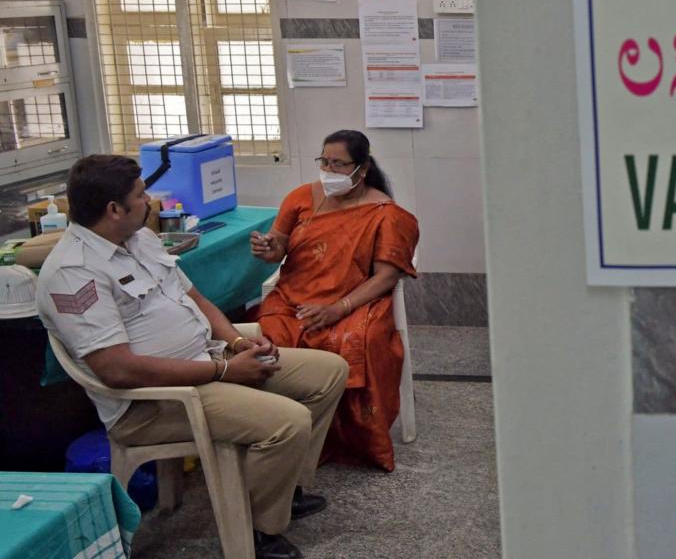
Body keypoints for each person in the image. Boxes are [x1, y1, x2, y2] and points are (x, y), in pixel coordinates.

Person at [36, 155, 348, 559]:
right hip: (153, 401)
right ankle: (257, 528)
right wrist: (223, 371)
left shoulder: (139, 238)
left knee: (329, 372)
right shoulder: (73, 272)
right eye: (140, 194)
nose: (149, 200)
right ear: (114, 209)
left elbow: (195, 298)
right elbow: (115, 370)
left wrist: (237, 344)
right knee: (288, 422)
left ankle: (282, 491)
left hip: (208, 359)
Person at [251, 130, 419, 471]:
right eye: (324, 162)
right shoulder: (300, 197)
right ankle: (282, 433)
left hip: (354, 300)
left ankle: (352, 440)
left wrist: (337, 309)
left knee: (358, 341)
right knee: (269, 338)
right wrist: (270, 250)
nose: (329, 170)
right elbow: (280, 246)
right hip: (293, 297)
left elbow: (386, 276)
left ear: (363, 168)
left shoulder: (386, 214)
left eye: (339, 164)